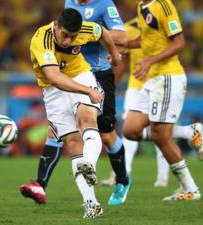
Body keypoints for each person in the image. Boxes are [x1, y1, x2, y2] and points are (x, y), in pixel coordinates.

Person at [20, 0, 131, 206]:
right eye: (64, 35)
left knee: (88, 121)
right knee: (72, 144)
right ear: (56, 26)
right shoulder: (41, 39)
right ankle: (91, 203)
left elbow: (103, 33)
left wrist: (115, 56)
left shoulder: (87, 25)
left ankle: (93, 167)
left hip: (81, 75)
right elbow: (53, 77)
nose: (68, 41)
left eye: (73, 37)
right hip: (54, 88)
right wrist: (88, 91)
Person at [101, 17, 203, 188]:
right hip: (138, 86)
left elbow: (175, 44)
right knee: (134, 129)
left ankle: (161, 178)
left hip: (161, 82)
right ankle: (187, 133)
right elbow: (125, 59)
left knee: (159, 131)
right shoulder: (131, 27)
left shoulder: (156, 19)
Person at [123, 0, 203, 201]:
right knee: (130, 129)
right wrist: (123, 46)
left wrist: (149, 60)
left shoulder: (163, 5)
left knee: (161, 136)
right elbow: (145, 40)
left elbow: (179, 42)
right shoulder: (141, 6)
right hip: (152, 80)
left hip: (168, 76)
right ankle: (188, 131)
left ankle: (190, 188)